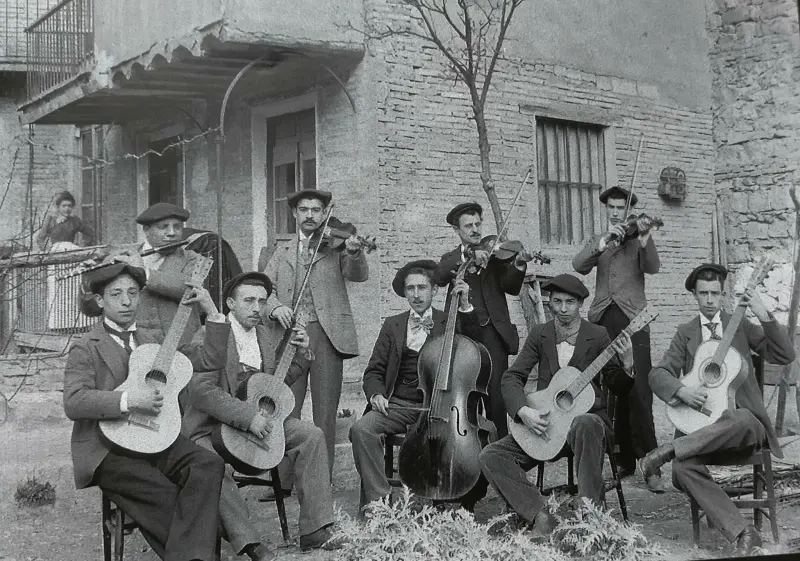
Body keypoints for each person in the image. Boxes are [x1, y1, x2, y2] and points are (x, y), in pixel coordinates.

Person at [63, 262, 230, 561]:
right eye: (116, 294)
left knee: (207, 464)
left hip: (156, 436)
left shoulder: (153, 340)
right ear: (100, 301)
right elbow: (74, 401)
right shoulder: (85, 346)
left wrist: (211, 309)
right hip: (107, 448)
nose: (127, 301)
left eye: (132, 293)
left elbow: (210, 359)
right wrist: (128, 400)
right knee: (164, 494)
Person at [182, 271, 343, 557]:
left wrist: (302, 353)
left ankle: (315, 529)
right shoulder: (210, 333)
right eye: (249, 300)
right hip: (210, 429)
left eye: (261, 301)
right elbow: (202, 392)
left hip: (257, 423)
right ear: (230, 303)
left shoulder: (264, 335)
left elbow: (275, 385)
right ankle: (250, 544)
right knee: (211, 464)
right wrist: (248, 417)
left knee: (311, 435)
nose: (256, 308)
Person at [643, 263, 795, 556]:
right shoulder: (685, 333)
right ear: (694, 295)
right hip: (704, 434)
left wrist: (762, 312)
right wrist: (681, 391)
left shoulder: (740, 325)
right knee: (682, 468)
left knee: (740, 417)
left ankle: (669, 448)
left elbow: (785, 354)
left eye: (715, 293)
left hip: (745, 429)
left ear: (723, 294)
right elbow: (657, 374)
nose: (710, 299)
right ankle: (744, 532)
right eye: (704, 293)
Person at [479, 273, 634, 538]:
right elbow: (512, 377)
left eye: (570, 302)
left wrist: (628, 364)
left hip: (588, 425)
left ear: (580, 304)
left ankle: (592, 518)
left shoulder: (597, 335)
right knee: (491, 455)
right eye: (557, 301)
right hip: (547, 423)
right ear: (549, 302)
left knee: (584, 423)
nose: (563, 309)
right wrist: (523, 411)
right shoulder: (540, 334)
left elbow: (616, 384)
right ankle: (540, 515)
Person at [350, 259, 487, 514]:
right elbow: (374, 370)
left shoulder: (449, 319)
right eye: (410, 288)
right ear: (404, 292)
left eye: (422, 287)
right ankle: (380, 503)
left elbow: (476, 344)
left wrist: (466, 304)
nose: (416, 294)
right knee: (361, 430)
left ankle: (451, 497)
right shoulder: (392, 325)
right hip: (398, 405)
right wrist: (377, 393)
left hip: (441, 408)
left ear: (434, 290)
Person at [262, 189, 369, 476]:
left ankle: (321, 478)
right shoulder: (281, 251)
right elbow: (264, 289)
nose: (310, 215)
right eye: (304, 209)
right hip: (289, 337)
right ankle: (284, 478)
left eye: (316, 210)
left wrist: (355, 251)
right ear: (294, 214)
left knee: (324, 413)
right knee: (286, 408)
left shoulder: (336, 246)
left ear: (324, 214)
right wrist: (274, 309)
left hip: (326, 336)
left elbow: (358, 274)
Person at [572, 185, 665, 493]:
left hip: (633, 319)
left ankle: (651, 462)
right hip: (602, 319)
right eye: (611, 207)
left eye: (620, 208)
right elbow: (578, 265)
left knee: (639, 390)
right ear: (606, 209)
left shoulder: (638, 239)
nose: (615, 212)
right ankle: (622, 459)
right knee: (611, 391)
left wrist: (644, 238)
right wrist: (601, 243)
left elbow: (652, 267)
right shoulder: (602, 239)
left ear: (628, 211)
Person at [438, 202, 530, 440]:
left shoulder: (495, 256)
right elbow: (440, 275)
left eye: (478, 223)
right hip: (463, 335)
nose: (475, 229)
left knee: (497, 402)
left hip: (493, 335)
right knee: (467, 398)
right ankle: (467, 456)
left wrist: (518, 265)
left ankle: (499, 456)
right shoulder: (451, 258)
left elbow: (511, 287)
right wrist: (468, 254)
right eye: (468, 225)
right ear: (457, 231)